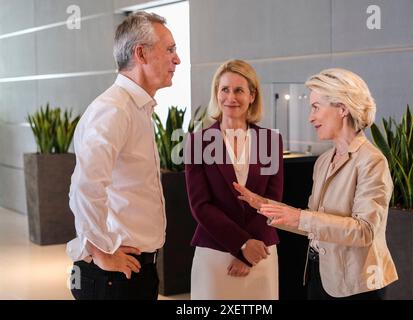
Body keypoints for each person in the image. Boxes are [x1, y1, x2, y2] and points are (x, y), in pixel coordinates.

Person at [234, 68, 398, 300]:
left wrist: (300, 217)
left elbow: (365, 231)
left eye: (316, 107)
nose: (311, 117)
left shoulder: (372, 161)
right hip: (318, 275)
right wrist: (265, 206)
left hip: (357, 285)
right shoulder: (323, 161)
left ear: (342, 108)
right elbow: (313, 223)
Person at [67, 12, 180, 300]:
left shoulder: (136, 108)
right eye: (169, 49)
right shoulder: (114, 110)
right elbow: (85, 187)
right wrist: (100, 251)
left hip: (134, 269)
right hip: (114, 276)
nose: (176, 59)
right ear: (140, 53)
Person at [184, 59, 284, 300]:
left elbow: (273, 200)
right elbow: (200, 205)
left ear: (252, 95)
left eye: (239, 90)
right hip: (215, 252)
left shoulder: (270, 140)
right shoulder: (197, 142)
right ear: (216, 94)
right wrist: (241, 245)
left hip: (261, 252)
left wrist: (250, 250)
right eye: (224, 89)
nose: (231, 97)